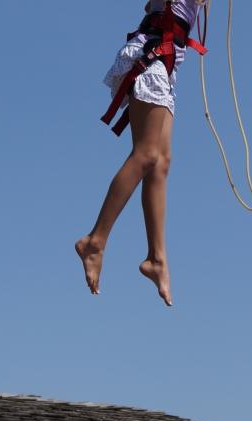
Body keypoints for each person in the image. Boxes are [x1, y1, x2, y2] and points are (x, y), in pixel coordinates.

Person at [75, 0, 206, 307]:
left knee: (161, 162)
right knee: (146, 154)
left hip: (166, 61)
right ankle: (95, 241)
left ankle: (157, 259)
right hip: (153, 56)